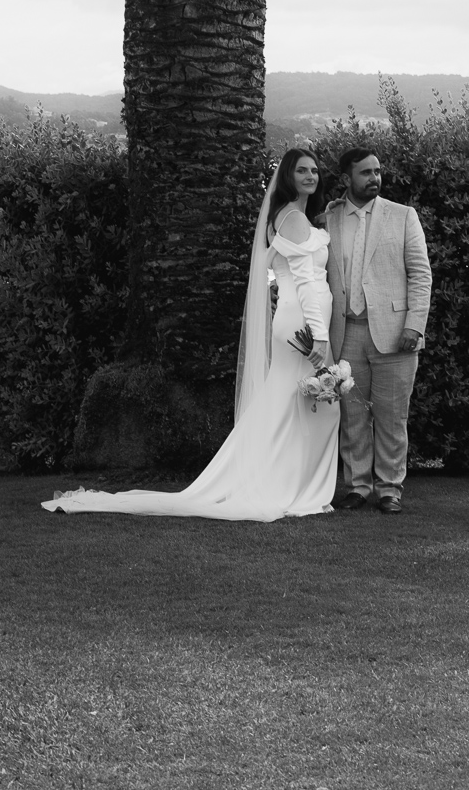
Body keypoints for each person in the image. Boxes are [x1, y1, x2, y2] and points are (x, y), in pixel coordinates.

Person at [41, 149, 340, 522]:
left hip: (295, 320)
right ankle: (290, 488)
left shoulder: (290, 216)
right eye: (302, 170)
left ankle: (281, 481)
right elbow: (309, 283)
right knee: (309, 406)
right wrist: (321, 336)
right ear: (288, 176)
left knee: (289, 405)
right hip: (304, 325)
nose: (310, 176)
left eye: (314, 170)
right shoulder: (294, 219)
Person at [325, 150, 432, 515]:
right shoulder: (329, 217)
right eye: (365, 172)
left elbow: (420, 274)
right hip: (346, 331)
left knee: (391, 416)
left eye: (378, 171)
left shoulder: (403, 216)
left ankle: (390, 490)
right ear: (347, 178)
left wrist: (414, 324)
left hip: (394, 332)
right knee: (352, 417)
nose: (375, 178)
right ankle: (357, 487)